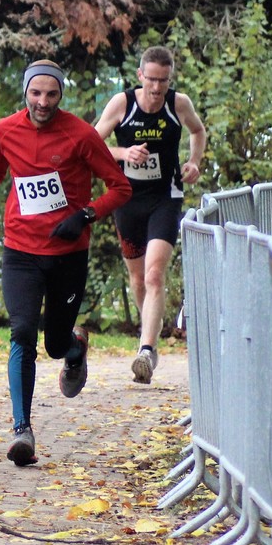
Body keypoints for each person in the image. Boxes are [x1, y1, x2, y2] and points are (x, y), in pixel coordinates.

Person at [0, 60, 131, 467]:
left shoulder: (81, 135)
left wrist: (84, 216)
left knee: (54, 344)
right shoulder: (6, 130)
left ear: (60, 95)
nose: (43, 102)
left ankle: (75, 348)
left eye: (51, 94)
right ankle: (22, 431)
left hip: (68, 254)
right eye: (36, 93)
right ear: (26, 93)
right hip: (20, 250)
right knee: (21, 332)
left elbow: (119, 188)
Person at [93, 45, 206, 384]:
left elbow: (198, 131)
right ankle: (150, 339)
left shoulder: (178, 104)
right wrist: (123, 153)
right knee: (138, 279)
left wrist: (194, 162)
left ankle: (146, 350)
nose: (157, 88)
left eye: (164, 80)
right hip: (127, 199)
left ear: (170, 79)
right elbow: (92, 143)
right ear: (140, 75)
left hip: (165, 198)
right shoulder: (122, 104)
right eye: (152, 79)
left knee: (155, 274)